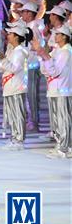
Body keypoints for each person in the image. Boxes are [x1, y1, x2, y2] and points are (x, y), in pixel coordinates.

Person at [0, 23, 31, 149]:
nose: (7, 35)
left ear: (17, 37)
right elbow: (2, 68)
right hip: (9, 87)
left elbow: (13, 68)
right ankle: (14, 137)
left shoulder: (20, 52)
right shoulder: (12, 51)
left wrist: (3, 60)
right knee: (12, 114)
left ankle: (19, 140)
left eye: (10, 34)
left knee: (18, 114)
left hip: (17, 87)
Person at [34, 25, 72, 158]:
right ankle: (60, 144)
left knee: (63, 120)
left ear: (65, 37)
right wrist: (43, 56)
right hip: (53, 90)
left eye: (58, 34)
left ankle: (65, 148)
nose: (55, 36)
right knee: (56, 120)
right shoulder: (57, 51)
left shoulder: (66, 52)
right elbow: (44, 70)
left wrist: (46, 57)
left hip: (63, 90)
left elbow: (55, 71)